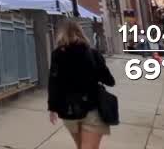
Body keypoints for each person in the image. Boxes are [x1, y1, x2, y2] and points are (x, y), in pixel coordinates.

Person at [48, 20, 115, 148]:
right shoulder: (93, 53)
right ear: (81, 33)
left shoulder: (57, 55)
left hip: (68, 110)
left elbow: (53, 83)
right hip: (92, 108)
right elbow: (110, 81)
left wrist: (52, 108)